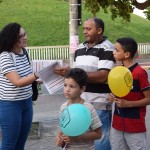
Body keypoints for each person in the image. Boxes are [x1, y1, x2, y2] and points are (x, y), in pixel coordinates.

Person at [54, 17, 115, 150]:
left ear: (99, 30)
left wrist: (75, 72)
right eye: (84, 29)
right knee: (76, 138)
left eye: (89, 29)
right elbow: (77, 77)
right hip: (78, 104)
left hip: (98, 103)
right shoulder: (80, 48)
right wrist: (67, 73)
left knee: (100, 142)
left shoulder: (107, 48)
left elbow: (103, 77)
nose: (85, 32)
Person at [0, 23, 39, 150]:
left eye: (25, 33)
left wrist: (40, 78)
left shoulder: (24, 52)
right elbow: (17, 82)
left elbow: (27, 77)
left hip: (26, 103)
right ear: (12, 38)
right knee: (9, 144)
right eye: (21, 36)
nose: (25, 37)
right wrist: (36, 75)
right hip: (10, 105)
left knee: (21, 143)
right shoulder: (5, 56)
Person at [109, 37, 150, 150]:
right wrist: (112, 96)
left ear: (126, 54)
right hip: (117, 124)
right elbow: (117, 92)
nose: (114, 52)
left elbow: (148, 99)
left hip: (135, 125)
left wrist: (128, 104)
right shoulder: (117, 71)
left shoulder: (139, 73)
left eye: (117, 50)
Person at [55, 68, 102, 149]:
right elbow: (64, 128)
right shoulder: (63, 107)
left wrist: (77, 138)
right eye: (65, 85)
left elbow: (98, 134)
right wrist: (59, 137)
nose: (67, 89)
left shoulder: (88, 108)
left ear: (82, 89)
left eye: (72, 86)